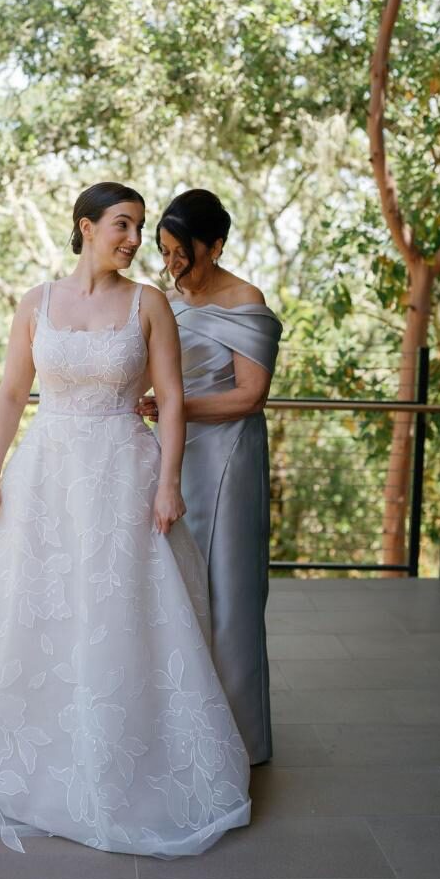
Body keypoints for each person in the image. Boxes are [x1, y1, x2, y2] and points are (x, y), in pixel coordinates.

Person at [0, 182, 251, 857]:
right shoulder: (37, 303)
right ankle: (24, 762)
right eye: (122, 224)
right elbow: (12, 393)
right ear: (85, 227)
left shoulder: (149, 305)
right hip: (45, 475)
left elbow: (170, 400)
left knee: (117, 615)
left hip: (124, 477)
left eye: (139, 227)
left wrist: (168, 483)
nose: (134, 239)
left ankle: (119, 761)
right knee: (33, 614)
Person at [136, 189, 282, 765]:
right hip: (170, 453)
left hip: (229, 455)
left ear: (216, 246)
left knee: (231, 592)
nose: (173, 267)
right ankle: (182, 729)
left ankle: (239, 742)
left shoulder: (246, 300)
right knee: (175, 588)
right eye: (165, 253)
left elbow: (251, 396)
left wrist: (173, 406)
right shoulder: (165, 301)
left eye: (183, 254)